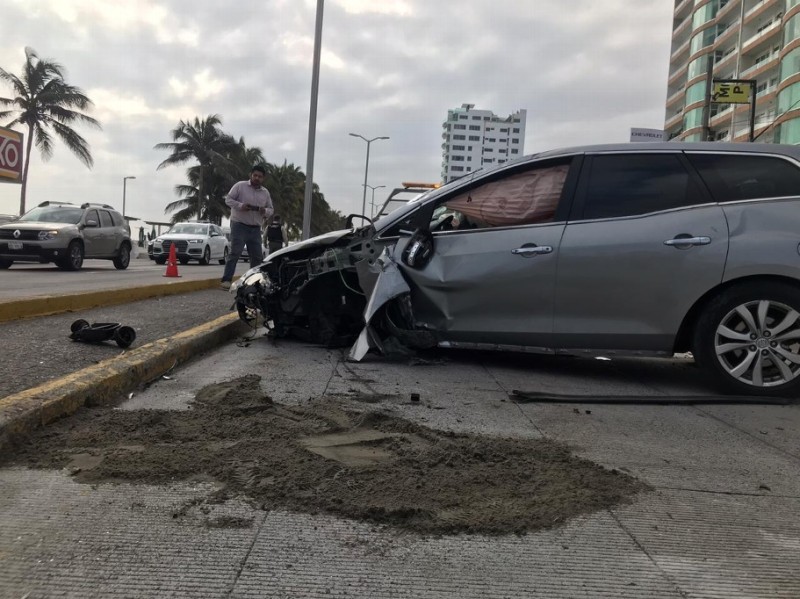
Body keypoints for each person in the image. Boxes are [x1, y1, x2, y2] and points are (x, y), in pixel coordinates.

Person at [220, 165, 273, 290]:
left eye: (260, 177)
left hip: (255, 228)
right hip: (239, 225)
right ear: (251, 175)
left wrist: (264, 211)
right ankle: (226, 280)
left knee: (257, 256)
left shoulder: (265, 193)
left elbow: (271, 209)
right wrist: (241, 205)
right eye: (255, 175)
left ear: (263, 178)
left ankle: (254, 283)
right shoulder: (240, 186)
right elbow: (228, 200)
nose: (257, 178)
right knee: (235, 252)